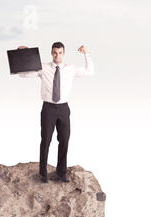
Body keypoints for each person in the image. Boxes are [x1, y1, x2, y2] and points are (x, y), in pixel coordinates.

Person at [17, 42, 94, 183]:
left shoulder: (70, 69)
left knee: (64, 140)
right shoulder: (43, 67)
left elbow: (89, 71)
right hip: (48, 109)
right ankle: (43, 174)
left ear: (63, 53)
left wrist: (86, 53)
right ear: (51, 53)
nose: (57, 55)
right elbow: (23, 75)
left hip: (63, 108)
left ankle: (61, 172)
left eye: (60, 52)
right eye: (55, 52)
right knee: (45, 141)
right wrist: (23, 54)